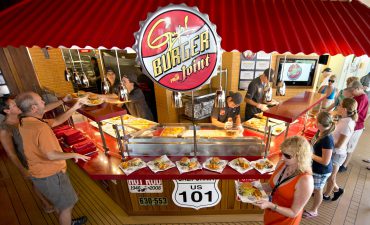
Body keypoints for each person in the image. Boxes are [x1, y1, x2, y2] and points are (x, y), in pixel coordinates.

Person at [16, 92, 90, 225]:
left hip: (40, 173)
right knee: (67, 207)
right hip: (51, 175)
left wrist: (74, 108)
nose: (44, 103)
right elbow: (51, 155)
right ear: (33, 108)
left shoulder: (25, 121)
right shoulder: (40, 127)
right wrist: (74, 154)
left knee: (60, 204)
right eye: (41, 101)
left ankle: (66, 220)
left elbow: (56, 121)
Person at [254, 136, 313, 225]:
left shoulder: (305, 180)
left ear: (300, 157)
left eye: (287, 156)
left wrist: (271, 206)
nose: (282, 158)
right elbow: (271, 187)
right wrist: (254, 186)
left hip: (286, 220)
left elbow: (293, 213)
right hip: (271, 213)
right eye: (282, 153)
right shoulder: (282, 163)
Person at [323, 98, 357, 201]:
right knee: (329, 175)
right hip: (335, 152)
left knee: (331, 176)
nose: (338, 107)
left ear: (345, 109)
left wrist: (325, 144)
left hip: (337, 154)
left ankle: (327, 195)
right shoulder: (344, 119)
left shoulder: (347, 124)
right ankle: (337, 190)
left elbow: (339, 144)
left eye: (340, 105)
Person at [303, 111, 335, 219]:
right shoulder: (320, 132)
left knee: (318, 190)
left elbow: (325, 161)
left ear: (320, 123)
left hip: (322, 170)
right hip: (315, 167)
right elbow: (313, 143)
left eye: (316, 120)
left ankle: (314, 210)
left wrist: (309, 154)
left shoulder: (327, 139)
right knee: (314, 188)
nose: (315, 122)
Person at [338, 80, 368, 171]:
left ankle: (344, 165)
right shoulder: (357, 96)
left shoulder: (362, 98)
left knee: (350, 146)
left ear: (358, 88)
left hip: (357, 126)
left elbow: (354, 113)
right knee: (347, 144)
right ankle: (342, 163)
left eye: (352, 90)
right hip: (353, 124)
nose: (351, 93)